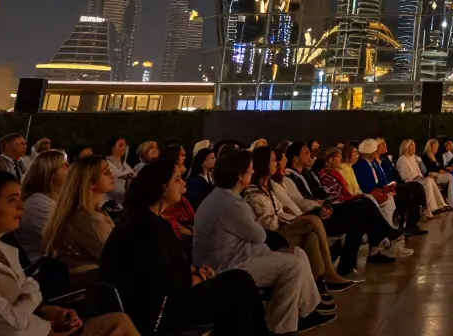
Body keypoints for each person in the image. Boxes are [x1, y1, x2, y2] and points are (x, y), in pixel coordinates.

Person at [0, 170, 139, 336]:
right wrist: (41, 318)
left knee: (118, 321)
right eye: (12, 200)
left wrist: (45, 311)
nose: (22, 206)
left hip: (31, 325)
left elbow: (25, 292)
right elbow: (8, 326)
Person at [101, 160, 270, 335]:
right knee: (235, 290)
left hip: (161, 299)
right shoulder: (146, 227)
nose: (183, 183)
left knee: (239, 279)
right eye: (177, 179)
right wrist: (194, 279)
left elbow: (161, 265)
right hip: (156, 312)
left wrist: (193, 270)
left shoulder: (145, 220)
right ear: (163, 188)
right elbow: (158, 280)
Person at [193, 149, 333, 334]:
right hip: (225, 268)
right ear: (239, 175)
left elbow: (253, 236)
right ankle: (281, 326)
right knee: (293, 265)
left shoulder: (225, 197)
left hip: (234, 257)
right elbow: (259, 235)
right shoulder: (231, 203)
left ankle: (306, 311)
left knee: (297, 253)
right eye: (249, 170)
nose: (252, 172)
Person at [243, 147, 356, 290]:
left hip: (284, 227)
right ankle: (329, 272)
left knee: (311, 236)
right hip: (273, 237)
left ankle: (318, 285)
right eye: (274, 160)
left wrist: (290, 217)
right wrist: (296, 220)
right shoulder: (254, 192)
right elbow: (270, 224)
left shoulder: (268, 186)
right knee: (313, 221)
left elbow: (283, 209)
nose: (277, 164)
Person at [318, 146, 409, 262]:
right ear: (330, 159)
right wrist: (357, 197)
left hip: (345, 202)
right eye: (338, 156)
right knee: (366, 204)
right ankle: (385, 237)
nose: (340, 159)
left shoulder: (337, 172)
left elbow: (346, 192)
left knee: (367, 204)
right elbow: (338, 195)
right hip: (337, 208)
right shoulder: (327, 174)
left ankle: (382, 240)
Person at [41, 154, 116, 279]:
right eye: (106, 172)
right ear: (90, 182)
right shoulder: (90, 219)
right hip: (89, 288)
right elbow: (115, 258)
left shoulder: (76, 213)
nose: (112, 175)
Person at [17, 149, 68, 263]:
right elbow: (67, 236)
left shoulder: (56, 199)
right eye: (65, 165)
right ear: (50, 172)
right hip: (43, 268)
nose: (71, 169)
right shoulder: (36, 203)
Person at [397, 138, 449, 215]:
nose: (414, 147)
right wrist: (421, 178)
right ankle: (429, 210)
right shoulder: (402, 159)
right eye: (412, 145)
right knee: (428, 180)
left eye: (414, 145)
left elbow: (420, 171)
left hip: (419, 179)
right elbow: (406, 176)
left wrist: (423, 175)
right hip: (410, 182)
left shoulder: (414, 157)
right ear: (407, 147)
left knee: (430, 179)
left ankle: (437, 205)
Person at [103, 137, 136, 206]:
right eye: (120, 145)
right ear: (111, 148)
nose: (124, 148)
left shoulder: (126, 165)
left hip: (126, 202)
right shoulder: (105, 164)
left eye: (125, 145)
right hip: (110, 203)